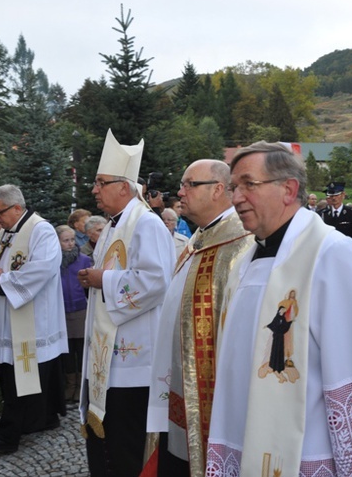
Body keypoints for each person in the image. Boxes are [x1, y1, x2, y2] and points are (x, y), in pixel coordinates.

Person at [206, 142, 352, 476]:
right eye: (234, 187)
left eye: (248, 185)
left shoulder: (332, 253)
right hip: (244, 438)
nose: (236, 198)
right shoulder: (243, 260)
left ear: (288, 189)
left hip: (307, 450)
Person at [78, 129, 175, 476]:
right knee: (109, 444)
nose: (94, 190)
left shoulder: (146, 224)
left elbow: (155, 280)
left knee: (126, 443)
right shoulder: (111, 226)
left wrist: (100, 278)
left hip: (133, 361)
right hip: (110, 354)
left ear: (124, 187)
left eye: (100, 182)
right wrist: (97, 276)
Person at [151, 159, 253, 477]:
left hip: (212, 385)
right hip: (179, 379)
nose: (180, 192)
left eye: (189, 184)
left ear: (218, 190)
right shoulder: (199, 238)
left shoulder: (240, 243)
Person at [0, 184, 68, 452]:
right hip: (7, 315)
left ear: (16, 208)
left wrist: (0, 279)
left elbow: (42, 269)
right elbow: (3, 266)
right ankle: (43, 418)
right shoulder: (4, 234)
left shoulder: (41, 230)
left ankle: (7, 437)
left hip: (33, 319)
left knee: (18, 377)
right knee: (17, 374)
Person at [56, 225, 92, 403]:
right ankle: (69, 383)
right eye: (66, 240)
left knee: (80, 347)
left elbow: (88, 286)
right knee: (67, 349)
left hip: (80, 309)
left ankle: (80, 383)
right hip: (61, 310)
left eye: (72, 240)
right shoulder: (53, 261)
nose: (70, 244)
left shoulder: (84, 260)